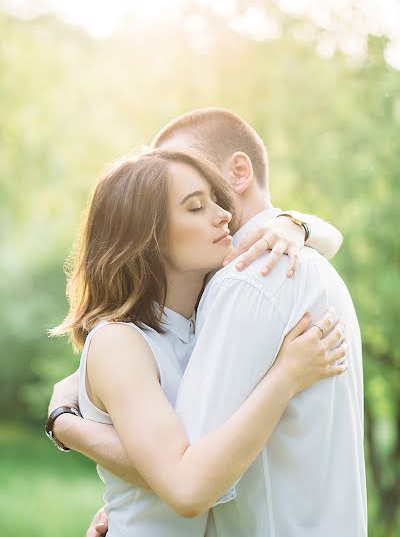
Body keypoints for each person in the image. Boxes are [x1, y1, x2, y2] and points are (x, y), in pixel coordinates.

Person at [47, 139, 347, 536]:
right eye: (195, 206)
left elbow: (330, 241)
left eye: (216, 200)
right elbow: (186, 489)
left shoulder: (201, 322)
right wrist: (286, 377)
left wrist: (294, 225)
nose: (224, 216)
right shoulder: (119, 342)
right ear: (145, 235)